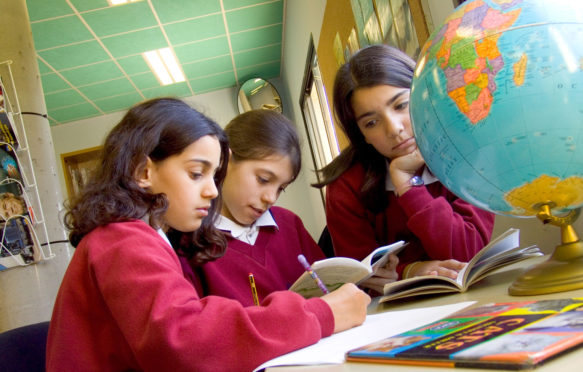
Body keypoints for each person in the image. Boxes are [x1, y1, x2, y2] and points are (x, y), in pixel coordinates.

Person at [46, 98, 370, 372]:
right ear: (143, 172)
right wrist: (321, 314)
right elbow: (185, 339)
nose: (212, 190)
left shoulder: (134, 235)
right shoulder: (122, 240)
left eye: (215, 176)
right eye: (197, 173)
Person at [314, 44, 495, 280]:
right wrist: (409, 271)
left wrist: (409, 186)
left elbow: (467, 254)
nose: (394, 129)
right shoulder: (346, 185)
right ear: (361, 135)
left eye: (401, 105)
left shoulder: (464, 150)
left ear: (423, 96)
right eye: (371, 123)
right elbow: (358, 277)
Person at [193, 109, 394, 303]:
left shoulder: (288, 224)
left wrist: (365, 283)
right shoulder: (192, 240)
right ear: (224, 160)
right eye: (263, 179)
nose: (271, 197)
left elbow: (331, 289)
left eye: (282, 188)